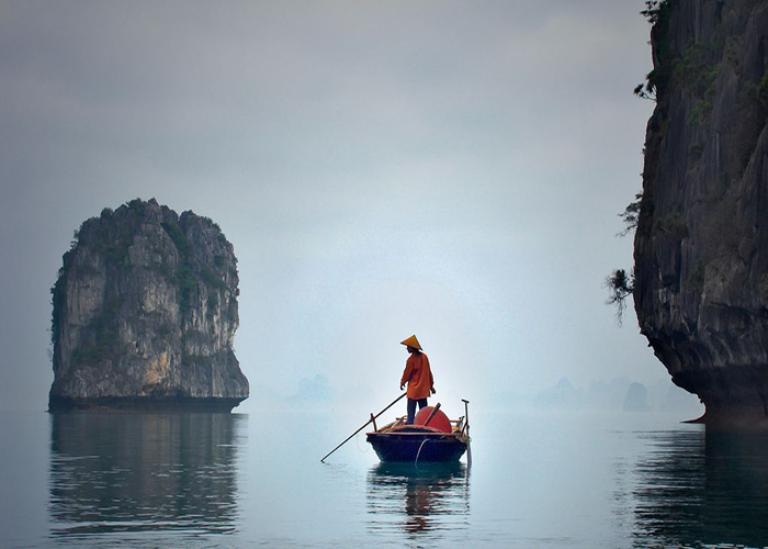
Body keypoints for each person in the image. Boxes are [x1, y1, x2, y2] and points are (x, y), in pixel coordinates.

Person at [399, 334, 436, 424]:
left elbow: (406, 374)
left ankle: (410, 427)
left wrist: (402, 382)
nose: (407, 348)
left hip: (413, 392)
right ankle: (424, 426)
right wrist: (431, 386)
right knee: (424, 413)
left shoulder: (411, 360)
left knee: (411, 414)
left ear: (412, 348)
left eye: (408, 347)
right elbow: (429, 373)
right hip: (423, 391)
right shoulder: (425, 357)